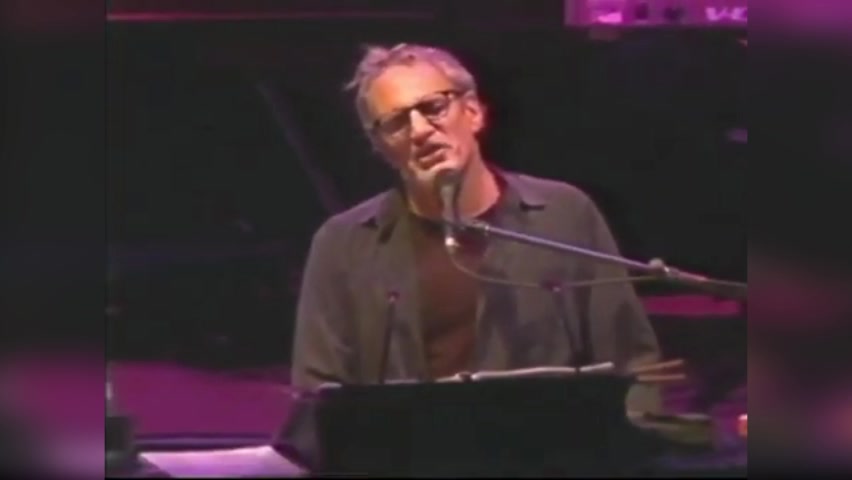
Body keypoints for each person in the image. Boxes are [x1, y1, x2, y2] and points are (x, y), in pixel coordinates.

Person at [278, 43, 662, 467]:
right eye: (396, 122)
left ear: (474, 112)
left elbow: (633, 366)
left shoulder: (565, 215)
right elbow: (318, 401)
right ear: (381, 146)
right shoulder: (342, 245)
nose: (420, 131)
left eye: (433, 108)